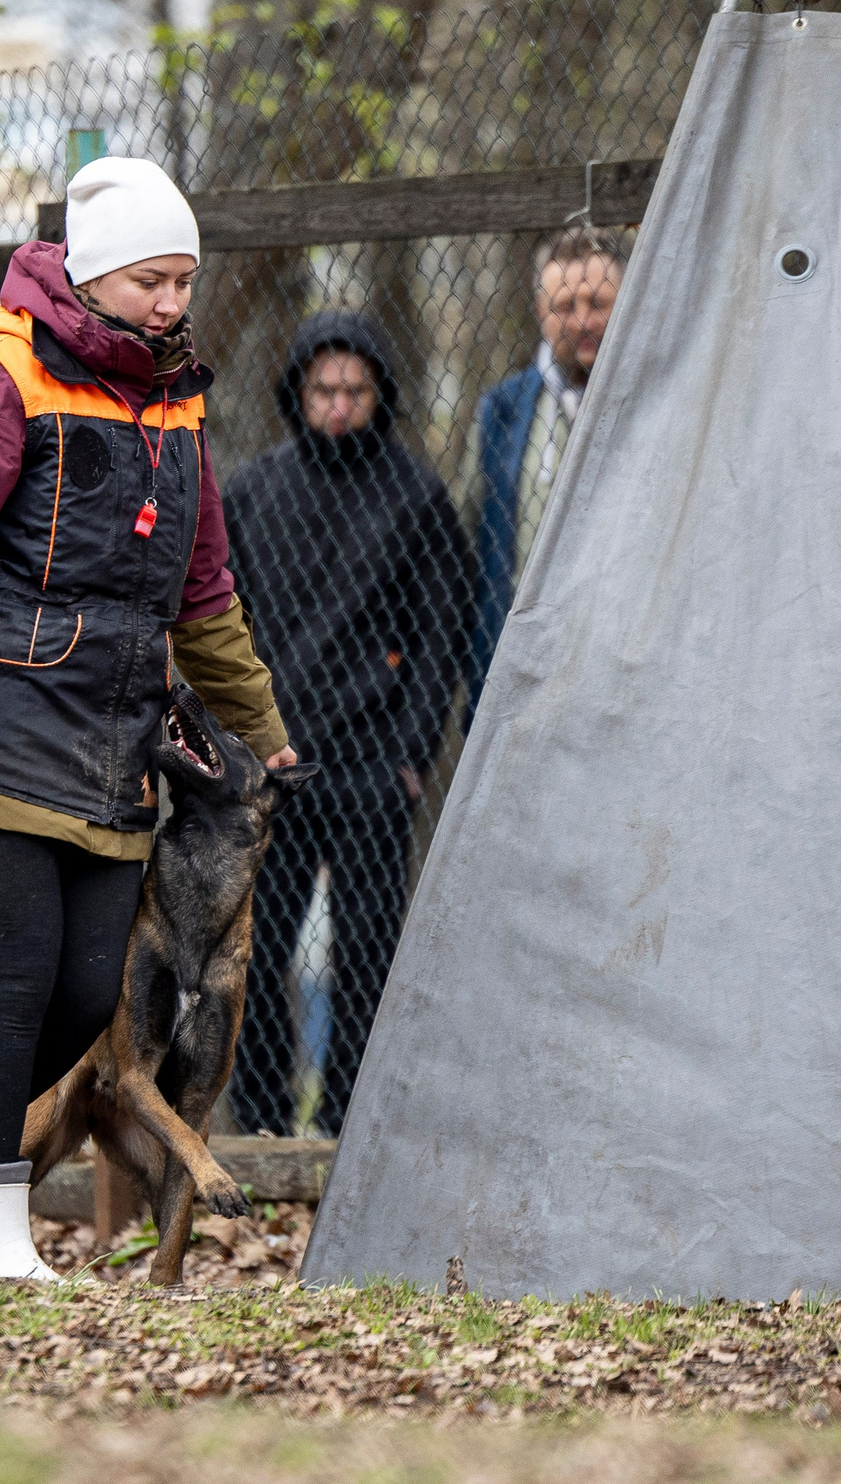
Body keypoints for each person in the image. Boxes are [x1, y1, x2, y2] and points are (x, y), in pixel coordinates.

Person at [0, 155, 296, 1281]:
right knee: (15, 974)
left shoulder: (176, 403)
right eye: (151, 282)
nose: (171, 305)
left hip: (113, 754)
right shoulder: (1, 373)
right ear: (95, 274)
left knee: (76, 995)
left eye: (183, 284)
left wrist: (263, 728)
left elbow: (203, 597)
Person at [222, 312, 474, 1137]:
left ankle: (351, 1125)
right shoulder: (256, 491)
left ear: (380, 395)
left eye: (354, 390)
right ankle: (259, 1122)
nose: (338, 405)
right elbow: (225, 623)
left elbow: (443, 634)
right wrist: (242, 745)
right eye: (323, 389)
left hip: (373, 762)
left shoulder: (416, 497)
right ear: (299, 392)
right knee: (256, 950)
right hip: (275, 759)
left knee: (367, 954)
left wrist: (411, 753)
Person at [469, 225, 625, 701]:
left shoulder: (666, 400)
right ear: (541, 314)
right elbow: (475, 537)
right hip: (530, 664)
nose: (581, 321)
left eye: (597, 303)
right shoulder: (502, 411)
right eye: (564, 306)